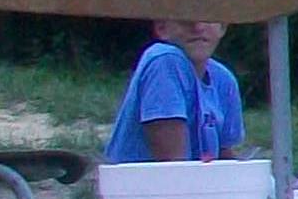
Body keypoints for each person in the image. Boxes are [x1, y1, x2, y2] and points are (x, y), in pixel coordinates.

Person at [103, 20, 243, 164]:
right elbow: (173, 165)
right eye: (185, 18)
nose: (198, 27)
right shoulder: (164, 61)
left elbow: (224, 157)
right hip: (141, 178)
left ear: (223, 27)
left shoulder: (223, 78)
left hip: (191, 177)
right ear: (161, 27)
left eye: (207, 18)